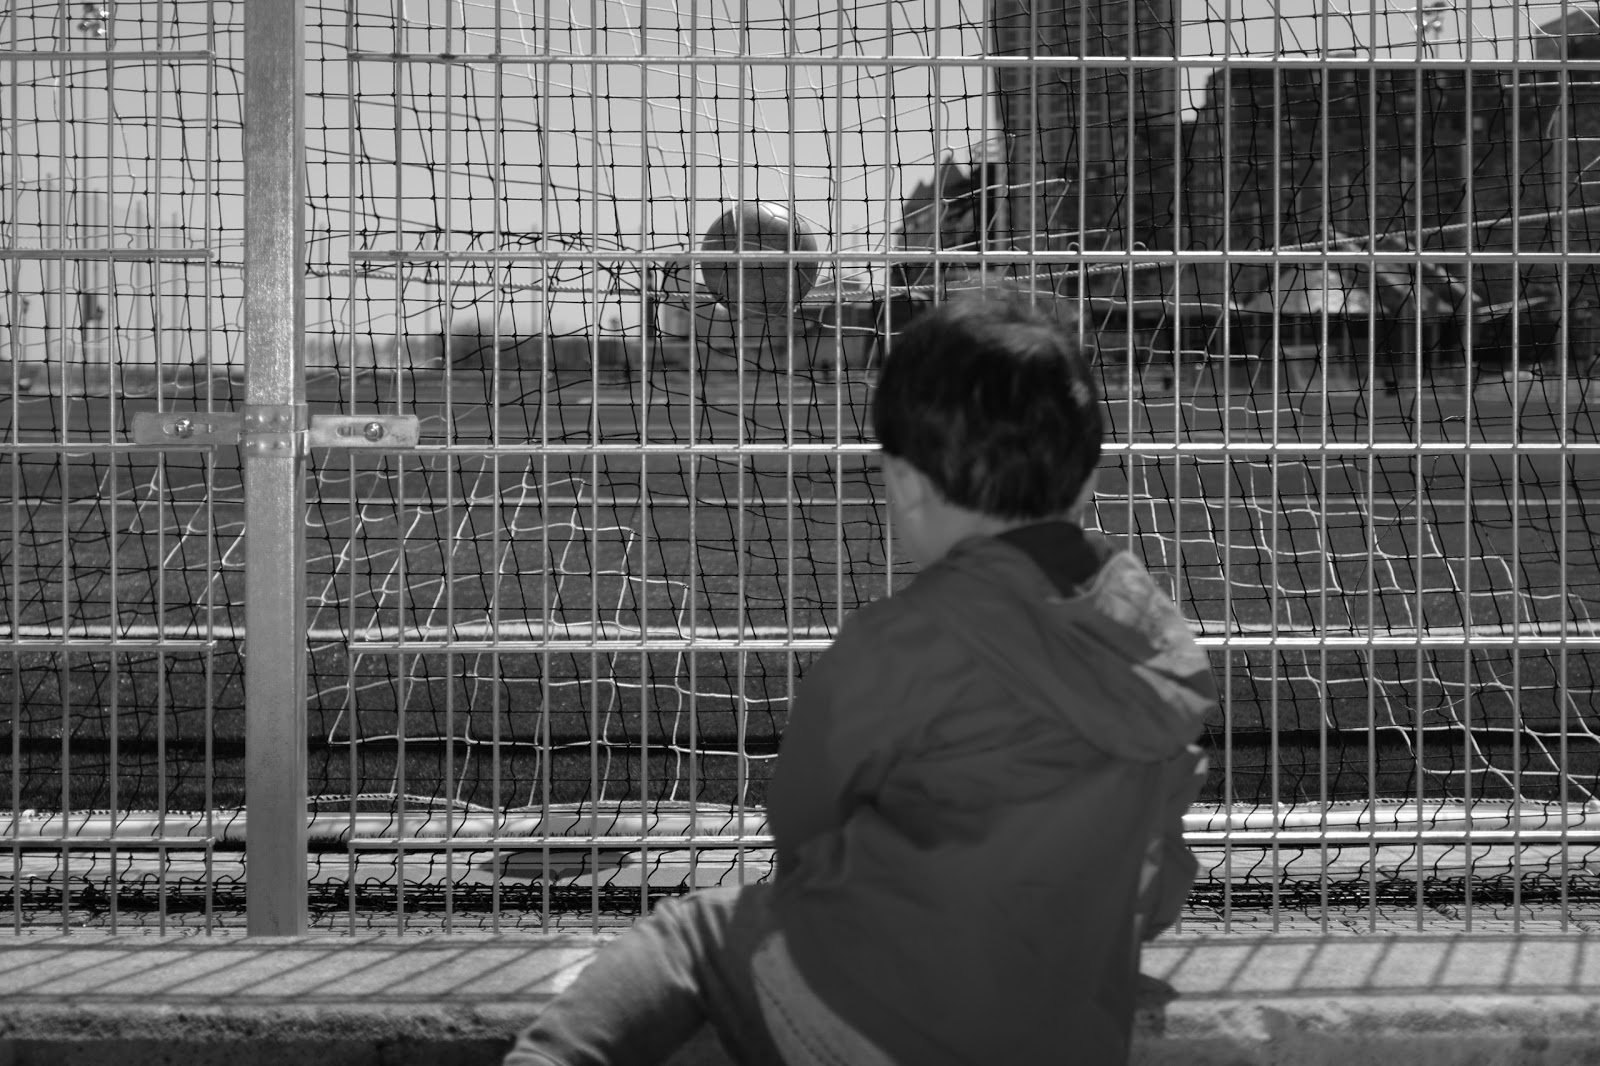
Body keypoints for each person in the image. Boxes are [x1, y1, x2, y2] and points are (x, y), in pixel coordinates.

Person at [504, 296, 1215, 1066]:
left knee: (693, 932)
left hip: (855, 1012)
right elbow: (1163, 872)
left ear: (905, 485)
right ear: (1086, 480)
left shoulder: (898, 642)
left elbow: (805, 818)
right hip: (1061, 1038)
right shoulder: (1161, 650)